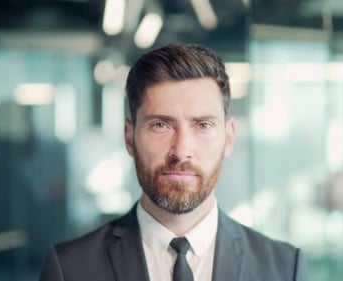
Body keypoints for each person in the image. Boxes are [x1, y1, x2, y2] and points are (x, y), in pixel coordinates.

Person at [39, 43, 308, 281]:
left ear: (228, 138)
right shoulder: (70, 269)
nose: (181, 150)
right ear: (129, 138)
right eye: (160, 125)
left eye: (203, 125)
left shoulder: (284, 269)